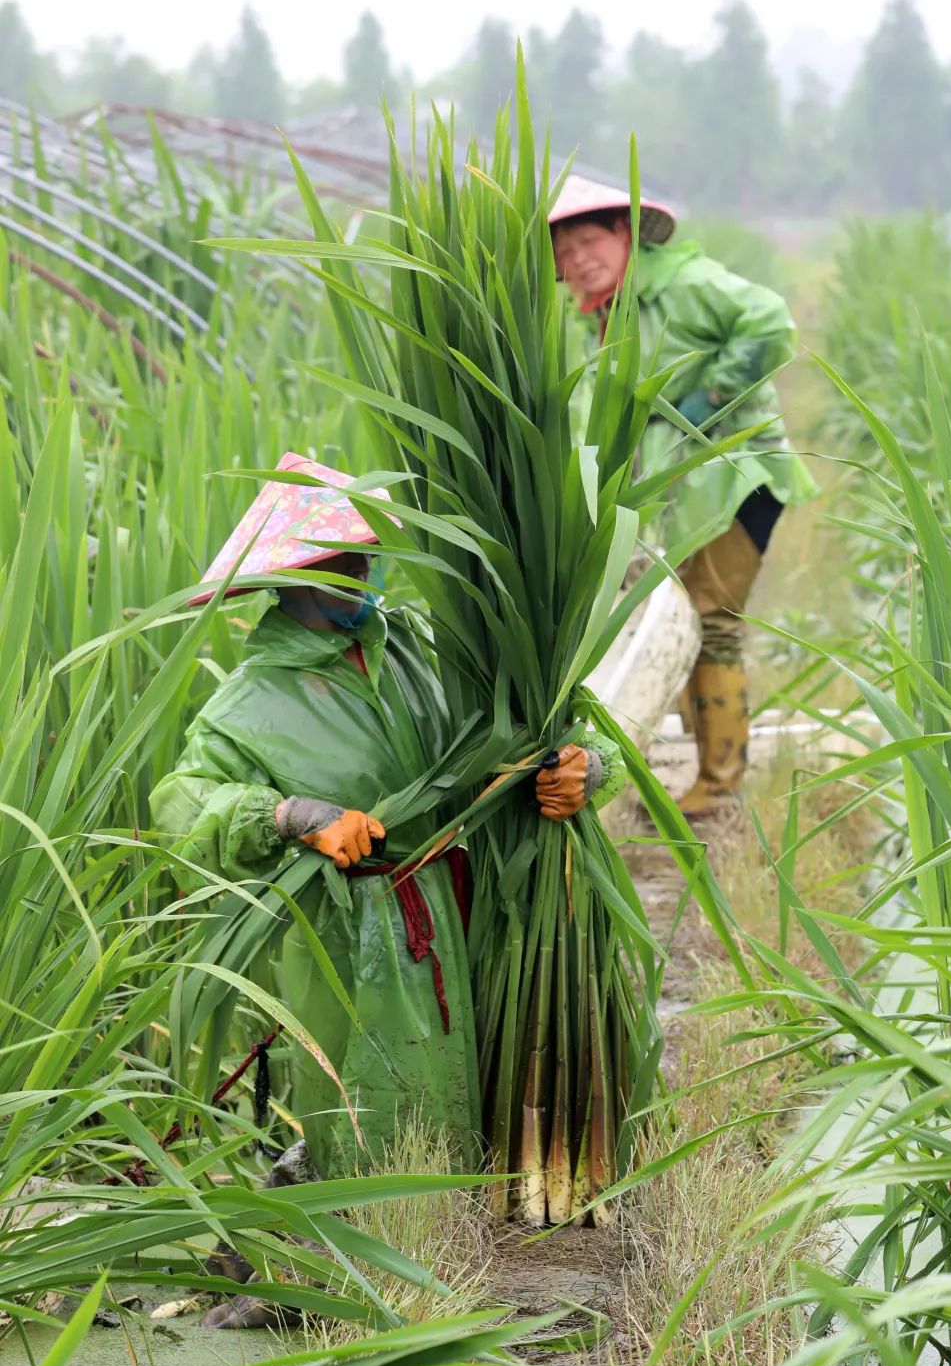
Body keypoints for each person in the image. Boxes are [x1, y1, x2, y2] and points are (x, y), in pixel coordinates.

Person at [151, 454, 624, 1204]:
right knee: (363, 1117)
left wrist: (585, 768)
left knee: (483, 1096)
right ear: (293, 575)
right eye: (341, 563)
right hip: (348, 936)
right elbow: (181, 802)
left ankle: (475, 1220)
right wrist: (293, 816)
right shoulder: (252, 698)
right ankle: (361, 1231)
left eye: (369, 558)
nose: (363, 578)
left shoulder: (430, 647)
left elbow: (553, 722)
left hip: (476, 913)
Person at [550, 176, 818, 821]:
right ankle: (711, 768)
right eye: (566, 251)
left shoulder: (683, 285)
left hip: (736, 476)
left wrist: (712, 399)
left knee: (713, 622)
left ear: (624, 235)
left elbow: (767, 319)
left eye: (591, 240)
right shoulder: (607, 316)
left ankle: (721, 785)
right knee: (693, 623)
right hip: (692, 490)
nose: (580, 259)